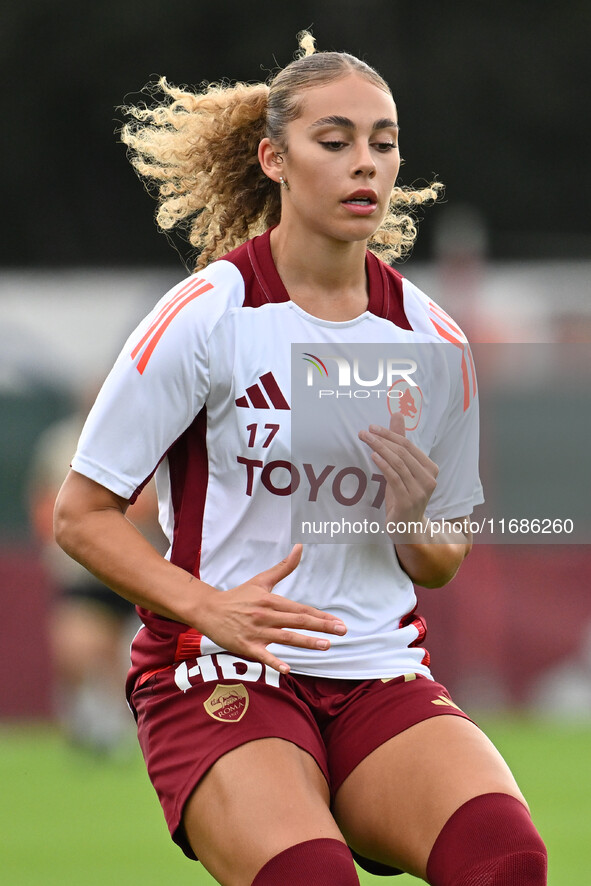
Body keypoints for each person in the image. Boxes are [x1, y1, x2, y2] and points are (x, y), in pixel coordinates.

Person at [54, 32, 547, 886]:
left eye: (383, 143)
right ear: (274, 158)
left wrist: (410, 517)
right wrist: (207, 607)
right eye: (336, 141)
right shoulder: (209, 315)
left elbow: (439, 562)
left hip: (376, 674)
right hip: (216, 668)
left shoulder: (429, 337)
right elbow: (80, 514)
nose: (366, 163)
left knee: (506, 862)